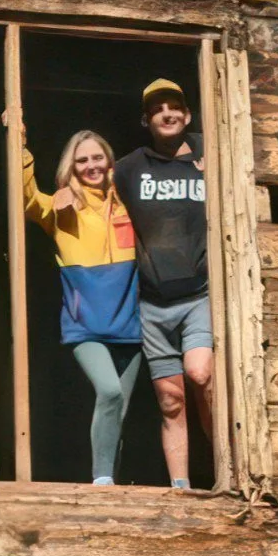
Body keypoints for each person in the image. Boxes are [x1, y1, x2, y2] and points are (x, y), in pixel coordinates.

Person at [21, 127, 141, 485]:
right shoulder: (60, 208)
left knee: (119, 411)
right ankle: (101, 480)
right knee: (109, 391)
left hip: (130, 326)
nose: (91, 165)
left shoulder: (129, 203)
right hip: (85, 326)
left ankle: (111, 485)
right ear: (70, 167)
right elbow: (26, 199)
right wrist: (21, 147)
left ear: (110, 162)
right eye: (82, 160)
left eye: (97, 157)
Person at [114, 79, 215, 489]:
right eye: (158, 110)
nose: (168, 114)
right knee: (170, 401)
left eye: (175, 107)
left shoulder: (214, 152)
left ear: (188, 115)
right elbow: (87, 182)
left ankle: (227, 468)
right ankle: (181, 489)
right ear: (146, 120)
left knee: (200, 374)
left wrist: (215, 161)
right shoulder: (130, 167)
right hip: (152, 302)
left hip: (199, 295)